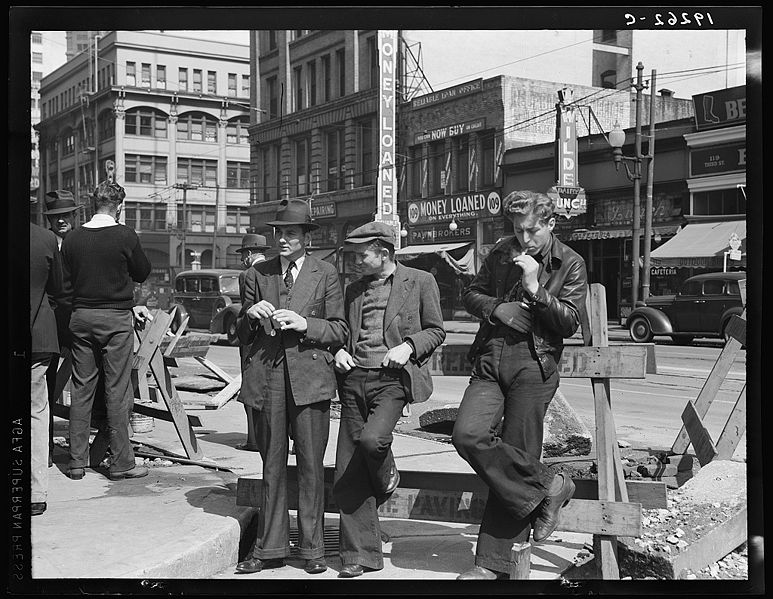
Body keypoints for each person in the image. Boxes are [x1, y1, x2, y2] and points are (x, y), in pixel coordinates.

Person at [452, 190, 588, 580]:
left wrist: (536, 291)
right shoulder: (500, 252)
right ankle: (552, 484)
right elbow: (471, 293)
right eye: (517, 229)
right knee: (468, 435)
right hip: (491, 358)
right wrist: (498, 308)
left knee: (513, 455)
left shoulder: (570, 263)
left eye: (532, 230)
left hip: (535, 363)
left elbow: (570, 322)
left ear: (550, 224)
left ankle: (493, 565)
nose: (524, 239)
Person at [234, 199, 346, 576]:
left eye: (291, 233)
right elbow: (241, 334)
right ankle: (270, 549)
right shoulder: (257, 274)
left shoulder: (326, 273)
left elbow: (339, 330)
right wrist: (248, 315)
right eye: (278, 233)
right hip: (268, 379)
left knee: (312, 466)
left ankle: (313, 548)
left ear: (305, 238)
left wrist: (304, 324)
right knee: (272, 466)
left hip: (310, 380)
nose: (283, 239)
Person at [332, 221, 445, 578]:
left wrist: (409, 346)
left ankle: (387, 473)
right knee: (348, 471)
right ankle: (359, 554)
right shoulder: (352, 289)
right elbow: (342, 330)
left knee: (373, 440)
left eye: (361, 254)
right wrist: (337, 349)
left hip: (393, 380)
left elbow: (436, 330)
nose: (355, 261)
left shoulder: (421, 281)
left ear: (383, 253)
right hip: (354, 380)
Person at [61, 177, 153, 481]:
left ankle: (76, 463)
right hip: (115, 319)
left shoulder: (72, 238)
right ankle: (120, 463)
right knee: (117, 390)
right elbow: (142, 271)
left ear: (93, 204)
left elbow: (64, 282)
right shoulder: (125, 235)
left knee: (81, 388)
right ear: (119, 206)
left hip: (82, 317)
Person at [43, 190, 81, 463]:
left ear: (74, 216)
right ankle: (45, 446)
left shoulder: (82, 243)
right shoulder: (44, 244)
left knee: (84, 383)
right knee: (48, 384)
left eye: (66, 215)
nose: (62, 221)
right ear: (50, 221)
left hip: (79, 322)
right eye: (56, 217)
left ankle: (80, 447)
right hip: (50, 324)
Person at [30, 221, 64, 516]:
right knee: (37, 412)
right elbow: (59, 288)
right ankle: (36, 491)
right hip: (39, 336)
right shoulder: (45, 239)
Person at [234, 233, 270, 452]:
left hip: (251, 338)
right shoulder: (276, 271)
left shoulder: (247, 274)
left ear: (248, 254)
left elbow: (246, 310)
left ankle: (254, 440)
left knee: (251, 389)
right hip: (271, 340)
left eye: (243, 255)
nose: (242, 260)